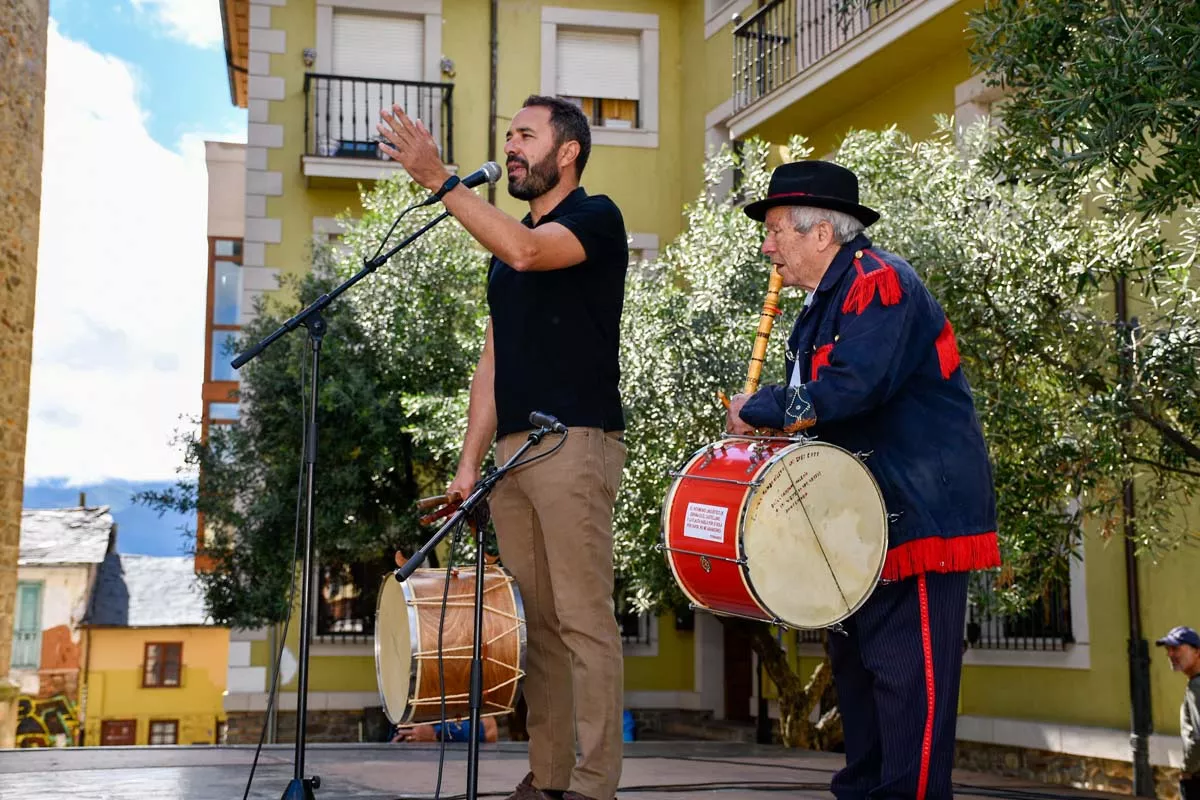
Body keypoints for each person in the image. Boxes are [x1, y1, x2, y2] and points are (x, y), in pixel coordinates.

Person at [378, 96, 628, 800]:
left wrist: (442, 181)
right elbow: (493, 361)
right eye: (508, 136)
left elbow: (526, 250)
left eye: (526, 135)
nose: (511, 147)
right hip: (514, 458)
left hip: (575, 440)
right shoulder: (504, 252)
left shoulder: (595, 218)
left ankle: (593, 784)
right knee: (537, 629)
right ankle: (547, 778)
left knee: (583, 621)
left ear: (567, 152)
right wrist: (468, 467)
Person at [728, 160, 1002, 800]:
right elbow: (816, 399)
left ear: (820, 234)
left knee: (912, 682)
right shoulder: (820, 305)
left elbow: (854, 388)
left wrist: (763, 409)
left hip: (916, 510)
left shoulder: (880, 283)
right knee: (858, 673)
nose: (767, 246)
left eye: (774, 231)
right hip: (857, 521)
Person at [1156, 626, 1200, 799]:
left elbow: (1198, 738)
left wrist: (1188, 770)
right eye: (1168, 649)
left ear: (1197, 651)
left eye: (1176, 648)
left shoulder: (1197, 686)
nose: (1170, 654)